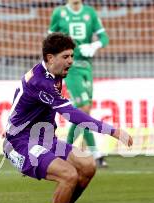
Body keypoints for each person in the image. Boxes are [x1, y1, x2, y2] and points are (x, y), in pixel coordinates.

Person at [3, 33, 132, 203]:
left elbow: (20, 99)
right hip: (21, 144)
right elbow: (72, 114)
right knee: (69, 175)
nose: (71, 61)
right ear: (50, 57)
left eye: (72, 55)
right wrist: (112, 131)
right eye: (66, 56)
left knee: (88, 165)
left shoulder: (52, 74)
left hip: (43, 138)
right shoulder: (41, 81)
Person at [48, 0, 109, 167]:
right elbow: (49, 40)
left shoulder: (90, 12)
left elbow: (104, 37)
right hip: (71, 68)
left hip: (87, 68)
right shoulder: (59, 13)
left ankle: (84, 152)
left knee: (85, 111)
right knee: (83, 109)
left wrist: (94, 45)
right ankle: (78, 152)